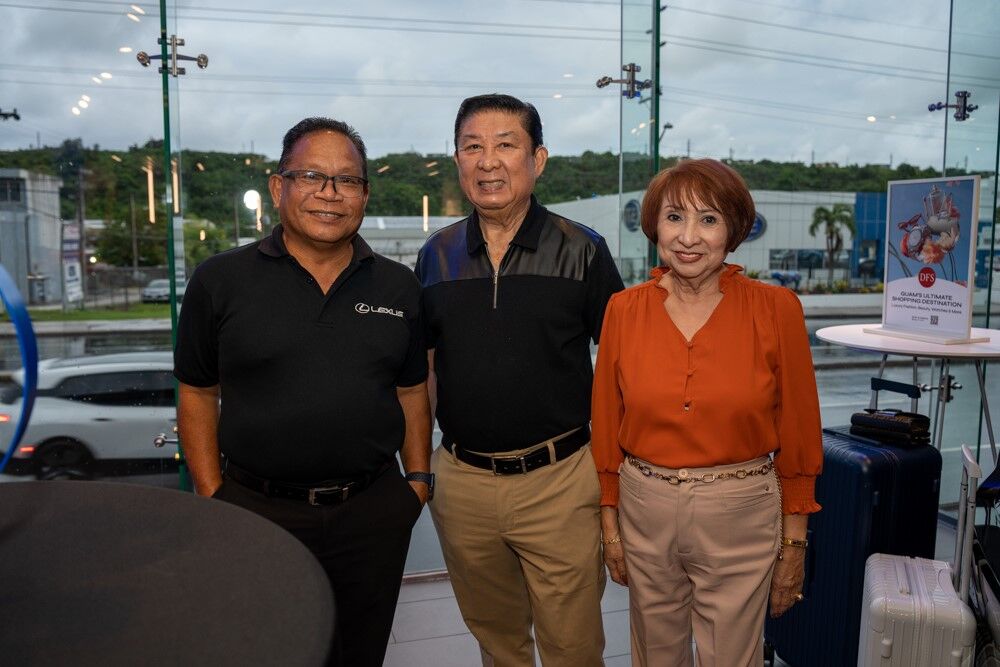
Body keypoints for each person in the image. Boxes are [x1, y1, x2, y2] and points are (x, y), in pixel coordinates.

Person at [174, 117, 433, 667]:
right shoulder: (219, 281)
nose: (329, 194)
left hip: (372, 513)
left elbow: (412, 391)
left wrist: (417, 484)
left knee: (359, 654)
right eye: (312, 175)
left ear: (364, 194)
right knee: (264, 651)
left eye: (347, 181)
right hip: (255, 512)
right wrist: (211, 494)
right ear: (278, 186)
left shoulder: (398, 285)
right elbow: (197, 391)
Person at [415, 93, 624, 666]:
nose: (488, 161)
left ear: (538, 160)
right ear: (456, 161)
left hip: (560, 480)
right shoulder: (436, 257)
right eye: (472, 146)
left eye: (506, 145)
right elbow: (424, 370)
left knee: (573, 647)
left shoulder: (583, 249)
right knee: (497, 642)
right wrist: (422, 466)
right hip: (463, 483)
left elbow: (623, 366)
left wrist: (614, 474)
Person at [591, 158, 823, 666]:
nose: (688, 237)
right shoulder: (623, 311)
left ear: (734, 230)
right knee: (655, 655)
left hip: (740, 510)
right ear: (654, 225)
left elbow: (800, 432)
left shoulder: (776, 308)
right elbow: (606, 425)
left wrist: (795, 546)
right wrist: (610, 528)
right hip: (644, 506)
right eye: (674, 218)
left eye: (709, 219)